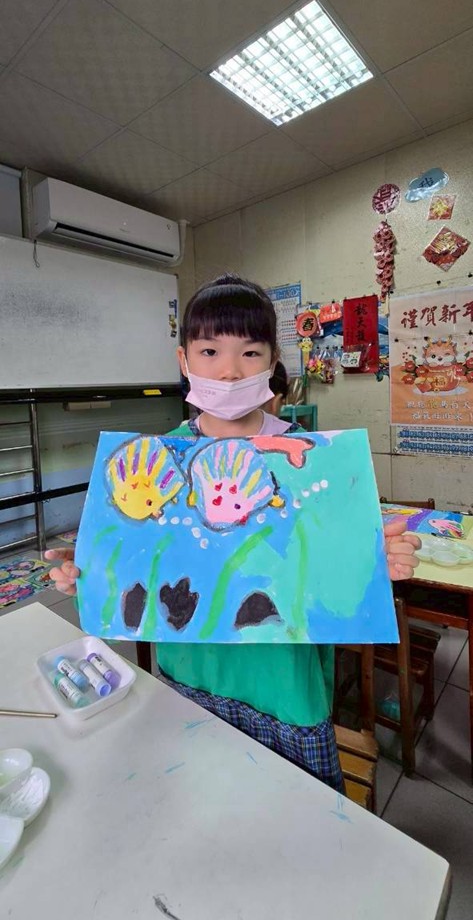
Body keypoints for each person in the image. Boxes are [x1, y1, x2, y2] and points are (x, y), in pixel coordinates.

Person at [46, 273, 419, 792]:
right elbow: (136, 553)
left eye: (249, 353)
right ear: (184, 361)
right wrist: (89, 569)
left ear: (271, 362)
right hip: (191, 674)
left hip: (283, 689)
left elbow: (332, 567)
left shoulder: (309, 458)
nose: (228, 371)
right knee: (201, 801)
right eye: (209, 351)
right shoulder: (154, 459)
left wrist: (375, 559)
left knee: (295, 815)